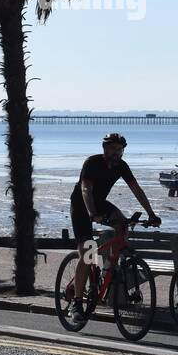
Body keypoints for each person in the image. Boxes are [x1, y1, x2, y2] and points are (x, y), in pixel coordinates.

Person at [69, 133, 160, 313]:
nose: (116, 153)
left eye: (120, 150)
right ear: (105, 148)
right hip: (82, 206)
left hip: (100, 203)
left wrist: (151, 214)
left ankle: (108, 268)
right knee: (87, 254)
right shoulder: (92, 163)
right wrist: (93, 214)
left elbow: (136, 189)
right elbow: (86, 189)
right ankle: (77, 303)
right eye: (113, 149)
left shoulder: (121, 166)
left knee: (122, 224)